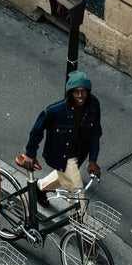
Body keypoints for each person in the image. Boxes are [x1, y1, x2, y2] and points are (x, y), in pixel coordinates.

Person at [23, 71, 102, 206]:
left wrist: (92, 159)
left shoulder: (94, 105)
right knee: (78, 198)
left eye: (83, 91)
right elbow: (36, 131)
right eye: (76, 91)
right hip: (61, 156)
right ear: (70, 93)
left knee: (68, 178)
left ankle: (39, 187)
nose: (80, 95)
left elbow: (95, 132)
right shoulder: (55, 111)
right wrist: (30, 154)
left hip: (80, 154)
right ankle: (78, 225)